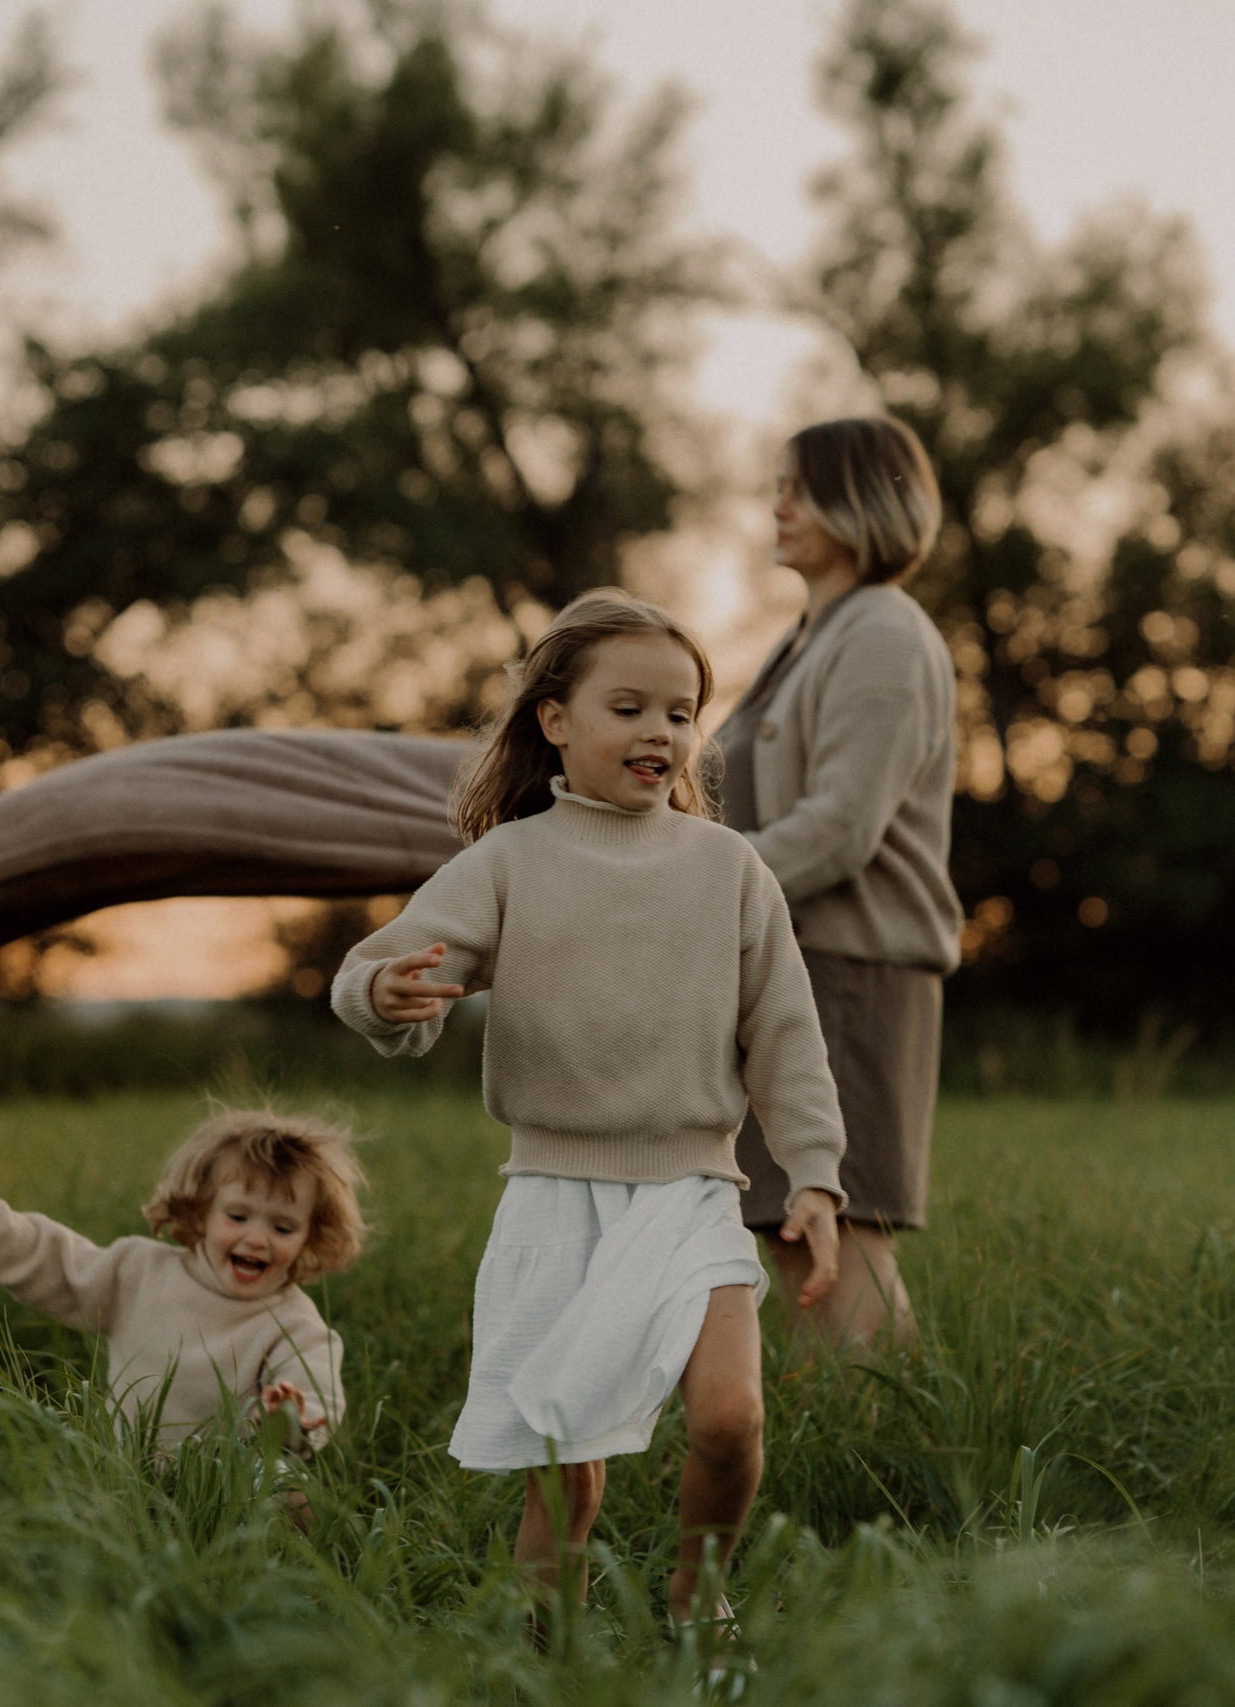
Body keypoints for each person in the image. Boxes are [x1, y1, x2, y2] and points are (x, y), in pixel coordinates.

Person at [330, 588, 848, 1627]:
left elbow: (785, 1035)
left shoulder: (728, 869)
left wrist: (817, 1176)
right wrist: (385, 994)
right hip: (554, 1196)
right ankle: (542, 1641)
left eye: (680, 711)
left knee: (731, 1420)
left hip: (695, 1189)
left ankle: (696, 1601)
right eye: (629, 708)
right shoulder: (510, 862)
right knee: (565, 1455)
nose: (660, 732)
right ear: (554, 721)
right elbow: (383, 966)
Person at [712, 417, 960, 1353]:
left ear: (864, 501)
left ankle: (899, 1471)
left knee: (839, 1232)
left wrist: (692, 889)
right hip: (806, 964)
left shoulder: (885, 633)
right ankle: (855, 1463)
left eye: (800, 487)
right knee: (800, 1231)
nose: (778, 505)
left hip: (851, 971)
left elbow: (841, 829)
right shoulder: (816, 633)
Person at [0, 1107, 363, 1451]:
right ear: (201, 1211)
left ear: (310, 1237)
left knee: (290, 1494)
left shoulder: (294, 1322)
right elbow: (53, 1264)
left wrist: (290, 1421)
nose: (258, 1239)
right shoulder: (141, 1272)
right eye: (238, 1215)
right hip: (123, 1471)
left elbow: (315, 1388)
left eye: (282, 1228)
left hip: (226, 1491)